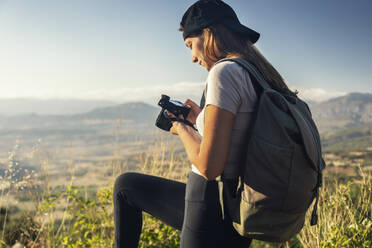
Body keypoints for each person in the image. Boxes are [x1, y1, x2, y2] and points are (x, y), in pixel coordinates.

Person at [113, 1, 296, 247]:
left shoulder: (224, 73)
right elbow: (241, 134)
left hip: (210, 204)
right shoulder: (259, 74)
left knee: (125, 186)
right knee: (126, 186)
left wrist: (182, 127)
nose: (192, 57)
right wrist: (200, 118)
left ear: (208, 33)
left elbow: (209, 167)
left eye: (190, 45)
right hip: (238, 207)